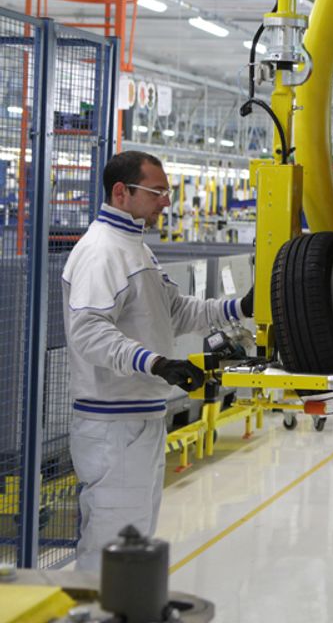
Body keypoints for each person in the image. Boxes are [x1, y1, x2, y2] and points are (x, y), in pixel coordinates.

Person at [61, 151, 254, 572]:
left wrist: (239, 308)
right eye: (157, 192)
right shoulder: (101, 252)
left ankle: (120, 604)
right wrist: (155, 363)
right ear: (121, 192)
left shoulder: (135, 248)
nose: (166, 201)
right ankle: (98, 606)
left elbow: (175, 311)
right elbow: (88, 331)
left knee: (133, 541)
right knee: (111, 548)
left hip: (138, 419)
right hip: (113, 424)